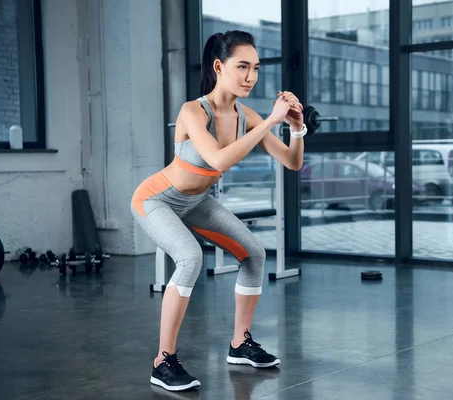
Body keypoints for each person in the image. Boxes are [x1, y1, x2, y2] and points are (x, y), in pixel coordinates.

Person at [130, 30, 306, 392]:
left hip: (196, 202)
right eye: (242, 67)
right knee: (190, 258)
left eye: (255, 68)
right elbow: (219, 158)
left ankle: (240, 344)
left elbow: (291, 162)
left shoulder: (247, 115)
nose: (251, 77)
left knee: (254, 254)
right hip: (156, 200)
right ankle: (163, 362)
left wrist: (297, 129)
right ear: (218, 67)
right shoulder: (193, 111)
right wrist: (272, 120)